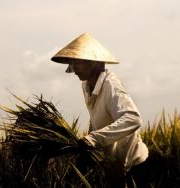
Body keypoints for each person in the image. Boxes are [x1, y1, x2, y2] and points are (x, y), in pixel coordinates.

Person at [50, 33, 150, 187]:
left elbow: (133, 118)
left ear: (94, 63)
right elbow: (97, 117)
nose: (74, 68)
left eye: (78, 62)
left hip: (134, 166)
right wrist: (88, 142)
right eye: (72, 63)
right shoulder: (86, 85)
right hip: (114, 166)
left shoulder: (111, 85)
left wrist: (94, 139)